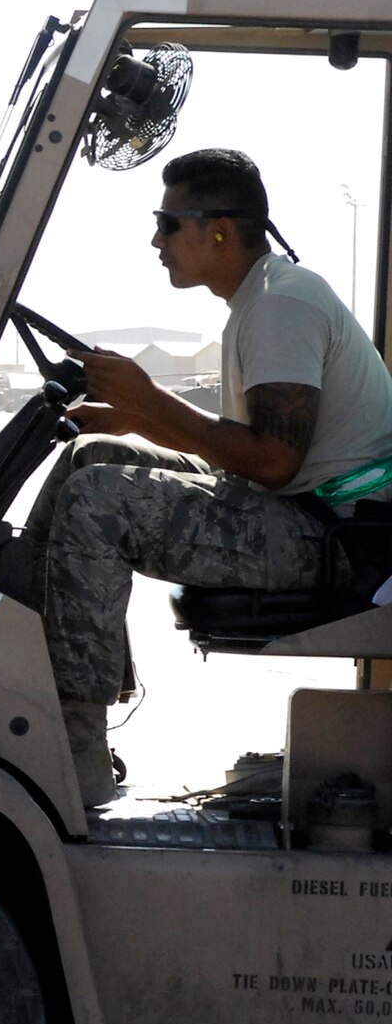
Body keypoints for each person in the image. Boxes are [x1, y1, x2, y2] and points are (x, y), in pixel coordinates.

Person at [22, 148, 392, 807]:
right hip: (303, 515)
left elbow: (272, 460)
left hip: (331, 541)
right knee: (92, 458)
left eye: (168, 222)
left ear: (218, 229)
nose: (156, 239)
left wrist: (149, 403)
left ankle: (75, 745)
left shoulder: (282, 304)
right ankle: (44, 685)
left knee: (98, 500)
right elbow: (241, 450)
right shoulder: (262, 299)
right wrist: (134, 420)